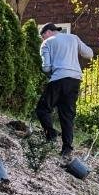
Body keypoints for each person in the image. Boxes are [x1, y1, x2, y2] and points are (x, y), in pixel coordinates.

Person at [35, 23, 93, 154]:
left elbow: (46, 67)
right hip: (75, 79)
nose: (43, 39)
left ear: (48, 32)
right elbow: (89, 54)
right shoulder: (73, 38)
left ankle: (51, 134)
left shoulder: (47, 43)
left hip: (58, 79)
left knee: (42, 109)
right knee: (67, 114)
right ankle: (67, 148)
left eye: (43, 36)